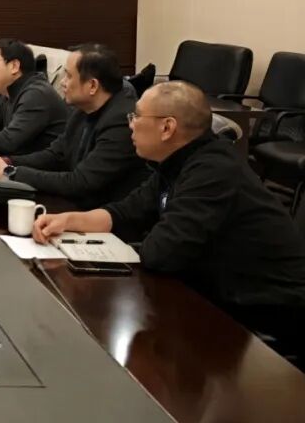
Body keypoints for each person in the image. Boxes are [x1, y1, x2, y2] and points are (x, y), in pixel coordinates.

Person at [34, 81, 305, 351]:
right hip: (219, 290)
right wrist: (68, 221)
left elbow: (161, 253)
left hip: (267, 308)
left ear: (167, 127)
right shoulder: (176, 161)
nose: (130, 124)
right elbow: (126, 211)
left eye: (136, 116)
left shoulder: (212, 170)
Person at [0, 44, 149, 207]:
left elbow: (81, 182)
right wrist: (7, 162)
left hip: (104, 217)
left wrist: (9, 172)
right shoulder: (82, 109)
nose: (62, 82)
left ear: (92, 86)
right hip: (75, 203)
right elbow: (55, 154)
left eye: (68, 76)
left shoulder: (121, 122)